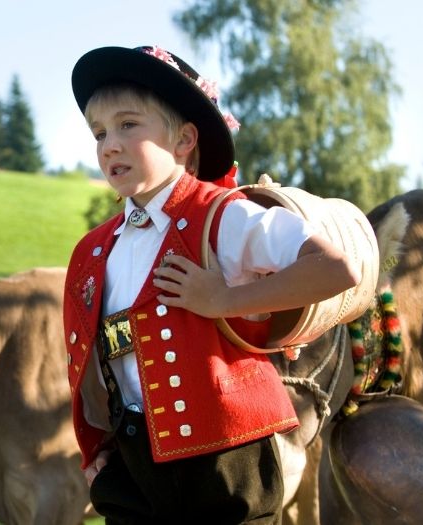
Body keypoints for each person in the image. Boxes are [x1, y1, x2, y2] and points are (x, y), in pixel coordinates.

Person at [62, 45, 360, 523]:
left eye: (127, 125)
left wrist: (226, 298)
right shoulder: (93, 251)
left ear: (184, 140)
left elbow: (335, 268)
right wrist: (99, 446)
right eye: (99, 133)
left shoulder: (222, 217)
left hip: (225, 461)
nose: (108, 145)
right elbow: (96, 360)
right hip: (132, 462)